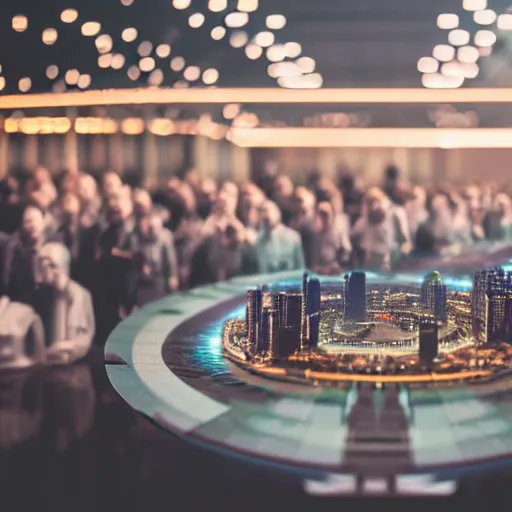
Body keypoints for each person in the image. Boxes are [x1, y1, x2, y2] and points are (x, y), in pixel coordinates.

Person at [34, 242, 95, 365]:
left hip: (72, 368)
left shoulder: (76, 295)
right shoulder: (48, 294)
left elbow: (79, 343)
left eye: (44, 266)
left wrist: (54, 350)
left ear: (56, 267)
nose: (41, 272)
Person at [2, 203, 60, 305]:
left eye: (33, 220)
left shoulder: (55, 246)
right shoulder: (16, 252)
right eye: (26, 222)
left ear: (43, 222)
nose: (30, 225)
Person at [130, 208, 179, 307]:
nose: (153, 230)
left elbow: (170, 260)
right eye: (151, 227)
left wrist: (172, 276)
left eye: (156, 227)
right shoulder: (140, 240)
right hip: (143, 283)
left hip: (158, 281)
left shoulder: (165, 239)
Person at [253, 200, 305, 273]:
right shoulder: (259, 241)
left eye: (267, 210)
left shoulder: (293, 237)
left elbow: (300, 266)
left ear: (277, 213)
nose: (265, 215)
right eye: (261, 211)